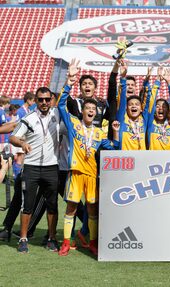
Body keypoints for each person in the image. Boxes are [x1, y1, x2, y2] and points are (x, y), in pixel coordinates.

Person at [57, 59, 118, 256]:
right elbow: (60, 106)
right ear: (82, 111)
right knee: (71, 208)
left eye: (93, 110)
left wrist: (115, 134)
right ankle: (66, 242)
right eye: (87, 109)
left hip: (92, 175)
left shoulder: (100, 132)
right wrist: (70, 80)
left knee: (92, 210)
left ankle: (92, 242)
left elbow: (114, 148)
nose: (91, 112)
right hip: (75, 173)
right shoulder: (74, 124)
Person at [9, 87, 60, 253]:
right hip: (31, 167)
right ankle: (23, 238)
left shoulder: (57, 115)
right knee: (27, 205)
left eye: (47, 99)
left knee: (52, 205)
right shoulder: (29, 118)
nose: (44, 102)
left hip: (52, 166)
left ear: (51, 99)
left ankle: (52, 238)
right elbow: (13, 137)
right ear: (36, 100)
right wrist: (22, 143)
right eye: (40, 99)